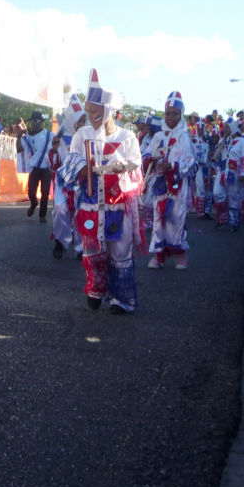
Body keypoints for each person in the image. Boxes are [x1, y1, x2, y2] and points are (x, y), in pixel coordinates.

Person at [60, 69, 143, 313]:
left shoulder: (127, 137)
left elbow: (135, 164)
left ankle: (121, 298)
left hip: (117, 203)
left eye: (96, 111)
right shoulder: (81, 135)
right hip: (91, 203)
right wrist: (83, 167)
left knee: (119, 249)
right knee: (92, 247)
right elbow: (69, 163)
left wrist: (122, 167)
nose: (92, 115)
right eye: (89, 111)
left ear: (109, 110)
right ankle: (96, 287)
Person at [142, 91, 196, 269]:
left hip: (177, 186)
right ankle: (159, 256)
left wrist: (172, 166)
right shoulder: (158, 136)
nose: (170, 117)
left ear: (181, 115)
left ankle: (180, 254)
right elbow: (147, 153)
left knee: (175, 218)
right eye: (167, 113)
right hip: (160, 184)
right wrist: (150, 159)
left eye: (175, 113)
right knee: (159, 220)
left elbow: (189, 162)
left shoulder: (184, 137)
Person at [50, 95, 86, 258]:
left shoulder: (88, 133)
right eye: (79, 120)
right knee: (59, 207)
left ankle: (80, 247)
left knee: (80, 211)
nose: (81, 123)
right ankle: (61, 241)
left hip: (81, 180)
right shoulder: (60, 134)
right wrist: (55, 150)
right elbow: (52, 162)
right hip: (63, 181)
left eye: (84, 120)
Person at [214, 119, 244, 232]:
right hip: (223, 172)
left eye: (227, 127)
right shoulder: (224, 141)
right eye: (224, 127)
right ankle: (223, 219)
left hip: (235, 173)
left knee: (234, 197)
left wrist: (243, 173)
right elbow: (216, 156)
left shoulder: (242, 142)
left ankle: (234, 222)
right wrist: (223, 139)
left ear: (233, 128)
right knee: (218, 193)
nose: (225, 129)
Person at [15, 110, 53, 222]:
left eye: (36, 120)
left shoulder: (48, 135)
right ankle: (33, 203)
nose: (34, 123)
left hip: (46, 168)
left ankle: (42, 215)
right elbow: (19, 150)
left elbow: (57, 143)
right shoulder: (27, 137)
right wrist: (18, 137)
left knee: (45, 192)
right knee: (31, 192)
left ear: (41, 122)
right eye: (32, 121)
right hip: (35, 168)